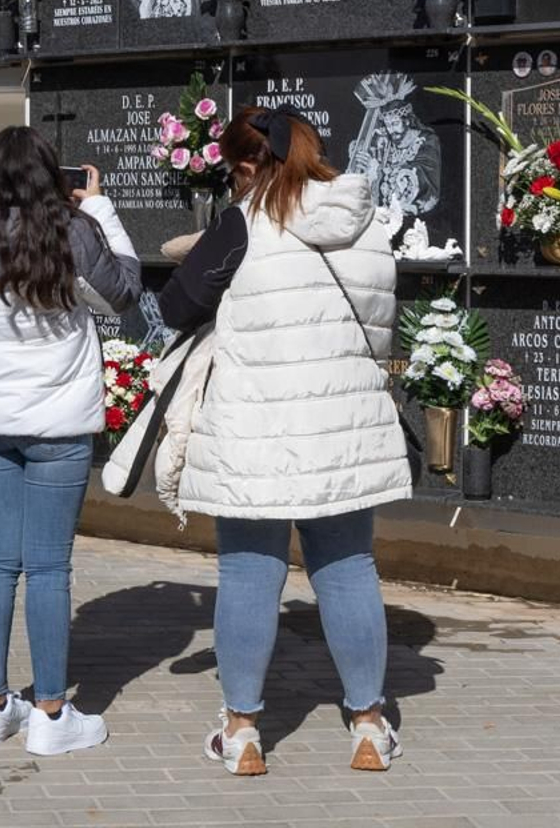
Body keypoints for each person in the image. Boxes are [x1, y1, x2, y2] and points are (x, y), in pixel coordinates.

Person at [157, 104, 411, 777]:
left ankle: (242, 731)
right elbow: (383, 325)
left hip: (255, 430)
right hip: (341, 428)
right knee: (349, 569)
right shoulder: (365, 221)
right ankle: (368, 724)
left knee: (248, 574)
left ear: (247, 166)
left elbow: (174, 308)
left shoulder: (242, 222)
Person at [0, 126, 144, 757]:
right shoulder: (69, 231)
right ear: (52, 176)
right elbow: (123, 294)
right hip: (57, 424)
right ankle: (51, 714)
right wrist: (99, 207)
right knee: (48, 566)